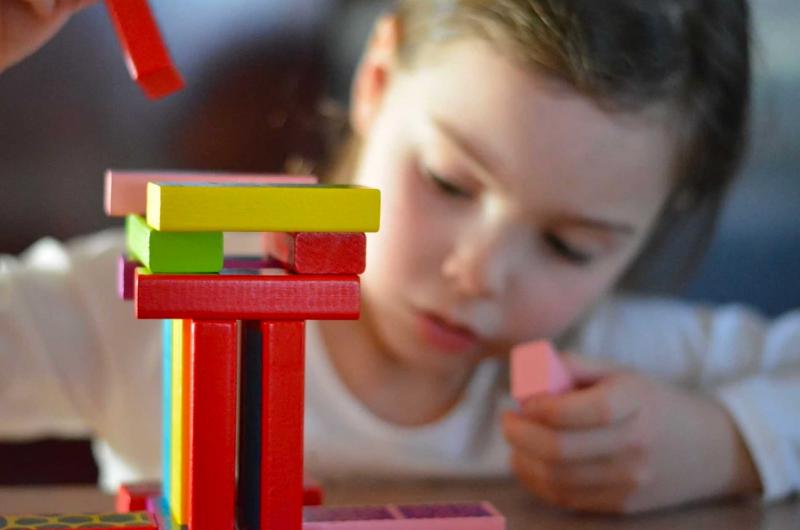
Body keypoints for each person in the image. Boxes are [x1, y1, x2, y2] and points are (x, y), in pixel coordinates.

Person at [1, 0, 798, 515]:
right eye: (449, 182)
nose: (478, 273)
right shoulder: (152, 303)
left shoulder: (612, 365)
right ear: (376, 82)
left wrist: (722, 441)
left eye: (569, 245)